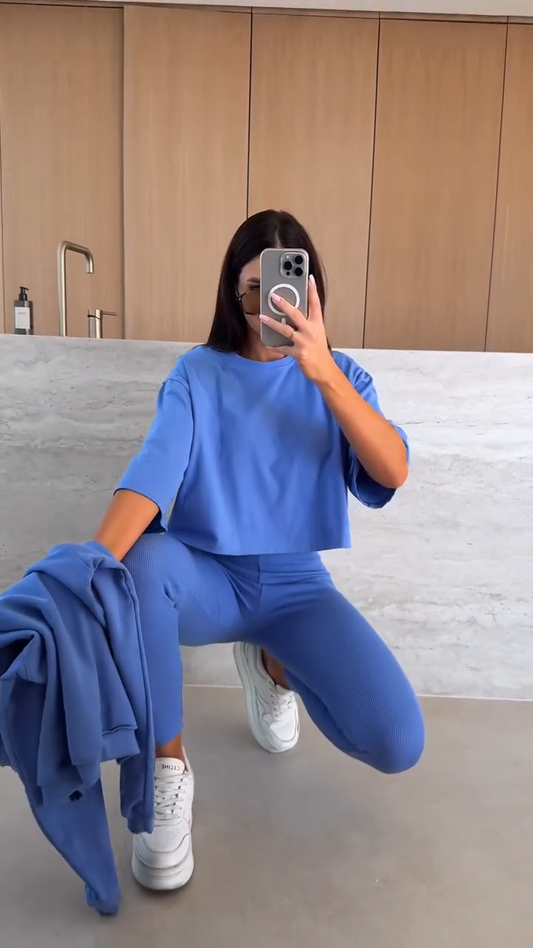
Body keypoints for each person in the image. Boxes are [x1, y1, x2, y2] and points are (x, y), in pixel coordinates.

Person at [93, 209, 425, 893]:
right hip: (205, 579)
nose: (268, 307)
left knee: (398, 742)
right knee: (142, 560)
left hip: (298, 589)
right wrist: (86, 571)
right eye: (253, 291)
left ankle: (272, 666)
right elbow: (152, 475)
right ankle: (166, 769)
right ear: (232, 292)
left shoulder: (342, 377)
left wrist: (322, 372)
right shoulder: (197, 374)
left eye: (284, 289)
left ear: (310, 291)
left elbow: (391, 470)